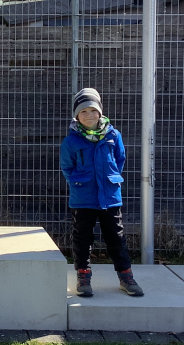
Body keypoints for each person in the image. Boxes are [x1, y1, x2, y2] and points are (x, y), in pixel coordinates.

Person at [59, 88, 143, 297]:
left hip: (110, 197)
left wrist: (109, 181)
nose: (89, 115)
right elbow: (67, 168)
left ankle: (126, 276)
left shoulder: (113, 136)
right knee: (82, 238)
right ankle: (83, 276)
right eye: (83, 111)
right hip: (83, 198)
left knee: (116, 237)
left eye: (93, 110)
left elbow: (119, 160)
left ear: (100, 112)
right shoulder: (71, 141)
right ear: (77, 116)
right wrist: (80, 183)